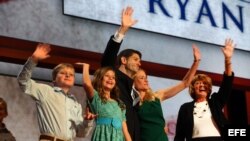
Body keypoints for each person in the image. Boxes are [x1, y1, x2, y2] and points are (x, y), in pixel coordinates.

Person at [17, 43, 95, 141]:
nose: (67, 75)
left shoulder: (75, 103)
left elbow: (81, 133)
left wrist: (88, 122)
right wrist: (33, 59)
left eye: (71, 74)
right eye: (63, 73)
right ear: (54, 79)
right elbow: (23, 81)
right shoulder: (46, 91)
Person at [132, 45, 201, 141]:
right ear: (133, 81)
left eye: (146, 78)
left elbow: (185, 83)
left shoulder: (157, 96)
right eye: (141, 78)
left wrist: (196, 62)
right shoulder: (130, 100)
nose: (146, 81)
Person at [174, 38, 235, 141]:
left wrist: (227, 60)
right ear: (193, 88)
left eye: (205, 83)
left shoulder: (215, 102)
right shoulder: (185, 108)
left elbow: (227, 83)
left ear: (209, 88)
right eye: (198, 83)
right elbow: (179, 135)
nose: (202, 85)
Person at [101, 6, 141, 141]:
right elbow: (108, 58)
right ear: (123, 60)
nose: (139, 63)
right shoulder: (114, 76)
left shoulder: (134, 88)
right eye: (135, 59)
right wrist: (123, 30)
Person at [77, 63, 131, 141]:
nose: (110, 79)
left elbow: (125, 131)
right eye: (107, 76)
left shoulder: (120, 104)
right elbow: (87, 84)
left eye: (113, 77)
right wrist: (86, 67)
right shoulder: (96, 98)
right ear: (100, 78)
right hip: (102, 137)